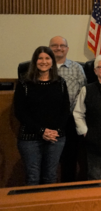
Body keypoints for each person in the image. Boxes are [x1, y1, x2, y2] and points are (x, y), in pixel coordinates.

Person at [14, 46, 70, 185]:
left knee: (51, 176)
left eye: (47, 58)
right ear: (35, 61)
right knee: (33, 177)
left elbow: (65, 109)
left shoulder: (60, 82)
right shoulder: (24, 83)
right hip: (30, 138)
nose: (43, 61)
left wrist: (54, 131)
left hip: (55, 137)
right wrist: (42, 131)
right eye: (40, 58)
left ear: (52, 61)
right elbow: (20, 112)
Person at [48, 36, 87, 182]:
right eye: (55, 45)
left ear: (67, 49)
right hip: (48, 121)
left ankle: (67, 189)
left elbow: (83, 92)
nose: (59, 48)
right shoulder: (43, 66)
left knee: (69, 158)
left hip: (71, 120)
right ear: (49, 48)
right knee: (49, 160)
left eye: (62, 45)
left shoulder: (77, 68)